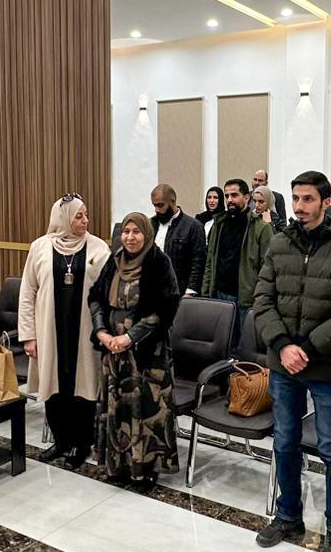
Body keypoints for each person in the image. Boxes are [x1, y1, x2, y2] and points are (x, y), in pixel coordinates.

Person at [253, 170, 331, 552]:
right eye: (296, 199)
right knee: (285, 441)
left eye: (308, 199)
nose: (300, 206)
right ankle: (288, 515)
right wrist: (283, 345)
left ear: (326, 202)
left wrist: (306, 349)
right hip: (283, 364)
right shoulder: (280, 243)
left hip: (326, 366)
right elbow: (262, 299)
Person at [89, 211, 181, 492]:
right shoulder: (114, 260)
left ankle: (146, 469)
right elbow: (96, 297)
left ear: (147, 234)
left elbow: (166, 308)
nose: (130, 237)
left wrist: (130, 337)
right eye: (126, 232)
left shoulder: (159, 262)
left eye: (136, 232)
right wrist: (102, 332)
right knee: (118, 406)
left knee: (145, 408)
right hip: (113, 348)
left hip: (147, 352)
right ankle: (117, 464)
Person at [20, 195, 111, 468]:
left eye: (86, 215)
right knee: (54, 388)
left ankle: (82, 444)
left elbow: (107, 293)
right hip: (50, 330)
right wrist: (28, 335)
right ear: (63, 218)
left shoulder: (99, 247)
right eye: (78, 216)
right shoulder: (40, 247)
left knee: (83, 388)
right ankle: (61, 441)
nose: (85, 221)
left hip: (84, 330)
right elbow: (28, 292)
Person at [202, 178, 275, 352]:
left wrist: (260, 298)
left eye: (234, 195)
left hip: (245, 298)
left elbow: (268, 268)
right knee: (222, 346)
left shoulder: (261, 228)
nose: (229, 200)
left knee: (244, 348)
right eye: (227, 196)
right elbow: (210, 261)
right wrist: (206, 292)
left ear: (247, 197)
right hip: (219, 294)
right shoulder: (219, 224)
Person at [150, 184, 206, 295]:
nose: (157, 210)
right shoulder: (150, 224)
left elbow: (198, 261)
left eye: (160, 205)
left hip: (179, 291)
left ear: (173, 202)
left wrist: (191, 291)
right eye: (154, 205)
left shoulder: (193, 226)